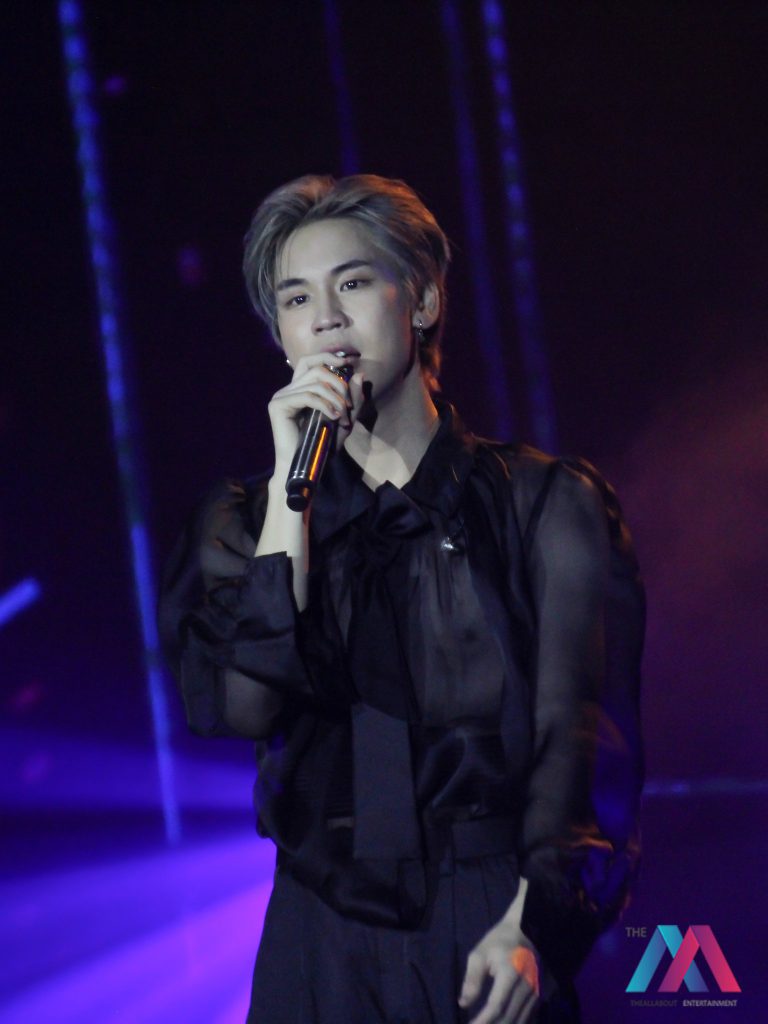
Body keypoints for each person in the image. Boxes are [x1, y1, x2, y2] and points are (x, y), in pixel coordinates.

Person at [157, 174, 645, 1023]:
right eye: (296, 299)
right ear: (280, 335)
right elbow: (242, 706)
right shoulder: (245, 521)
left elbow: (581, 737)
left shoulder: (541, 504)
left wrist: (536, 921)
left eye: (352, 283)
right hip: (318, 937)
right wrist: (291, 500)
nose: (326, 318)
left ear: (420, 301)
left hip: (489, 916)